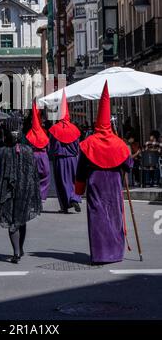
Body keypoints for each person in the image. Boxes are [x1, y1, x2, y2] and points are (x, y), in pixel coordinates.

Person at [75, 81, 132, 265]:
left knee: (97, 217)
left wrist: (79, 188)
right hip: (114, 183)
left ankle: (100, 254)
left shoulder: (89, 143)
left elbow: (81, 168)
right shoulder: (118, 143)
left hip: (95, 183)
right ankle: (115, 253)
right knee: (114, 216)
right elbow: (128, 163)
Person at [0, 114, 42, 264]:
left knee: (11, 220)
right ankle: (19, 249)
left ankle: (16, 251)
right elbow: (34, 174)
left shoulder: (2, 151)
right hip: (24, 189)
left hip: (7, 191)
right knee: (21, 219)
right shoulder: (28, 150)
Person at [49, 90, 82, 213]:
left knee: (62, 182)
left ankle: (65, 205)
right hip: (73, 159)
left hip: (60, 159)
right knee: (74, 180)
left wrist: (52, 154)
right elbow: (78, 145)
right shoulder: (75, 129)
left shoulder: (54, 129)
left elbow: (51, 146)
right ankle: (75, 198)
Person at [25, 100, 50, 201]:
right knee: (45, 176)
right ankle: (42, 195)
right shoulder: (44, 132)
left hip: (32, 155)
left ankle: (33, 194)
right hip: (43, 155)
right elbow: (48, 145)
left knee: (32, 176)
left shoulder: (29, 133)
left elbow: (26, 146)